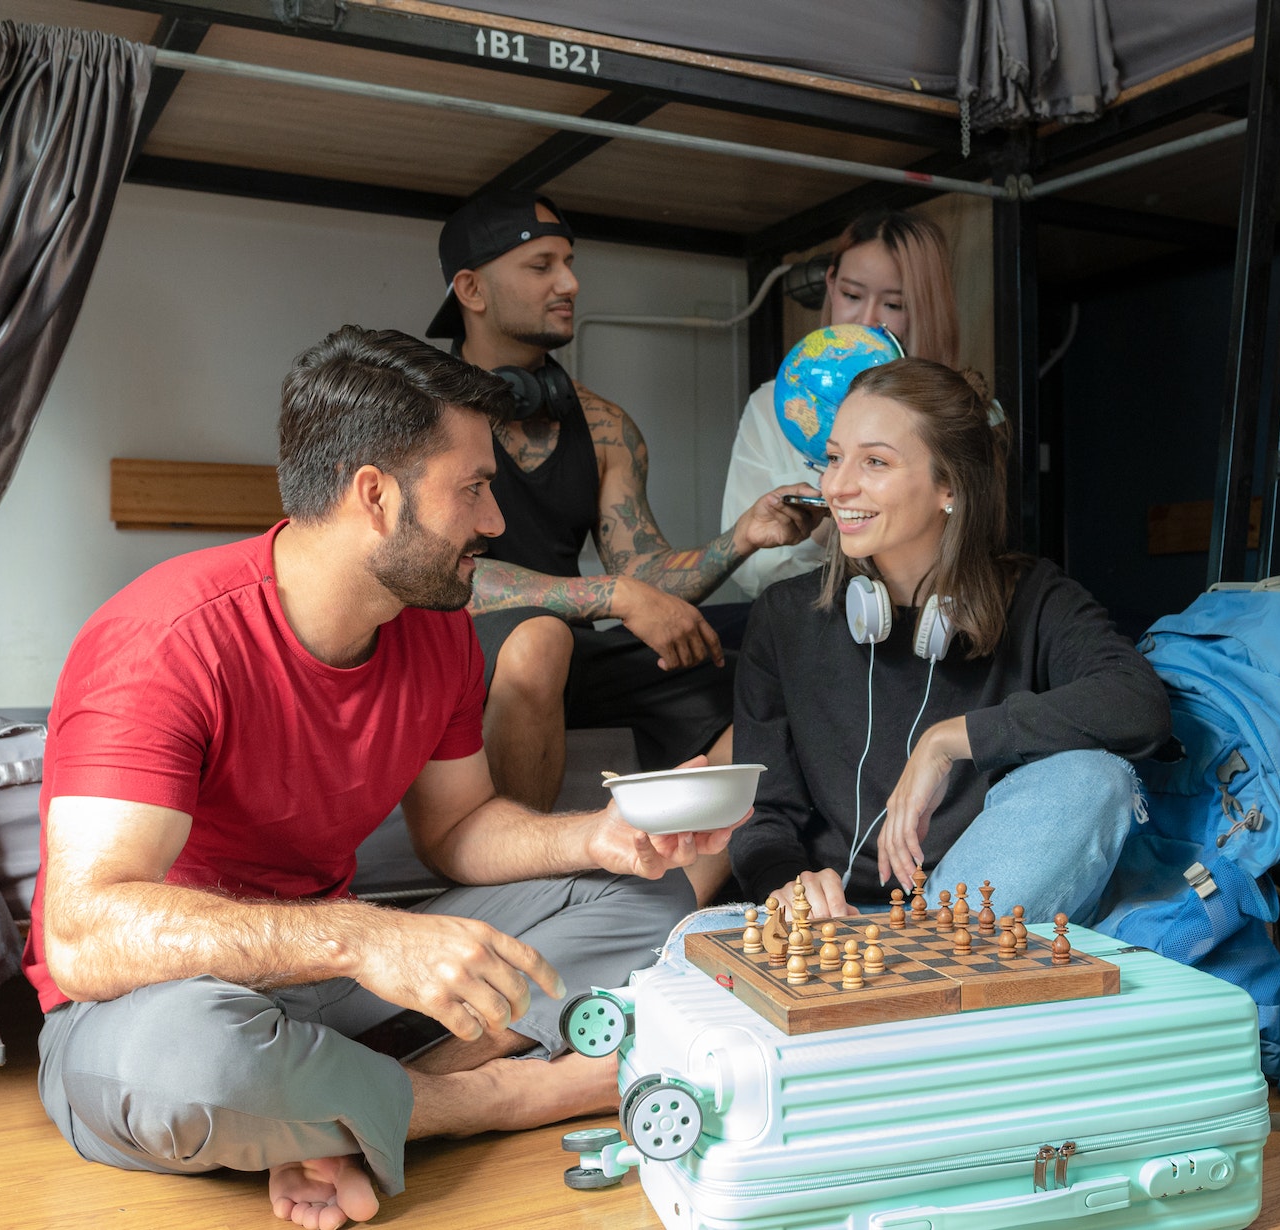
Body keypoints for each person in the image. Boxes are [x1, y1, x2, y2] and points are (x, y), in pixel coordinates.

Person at [28, 327, 735, 1230]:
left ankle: (338, 1111)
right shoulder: (165, 640)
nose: (495, 521)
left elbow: (458, 827)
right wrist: (365, 940)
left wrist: (594, 836)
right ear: (375, 495)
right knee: (200, 1068)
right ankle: (502, 1097)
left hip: (328, 988)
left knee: (651, 896)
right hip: (159, 1005)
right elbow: (84, 936)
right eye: (474, 489)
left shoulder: (430, 624)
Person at [423, 191, 820, 822]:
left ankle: (701, 880)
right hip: (455, 653)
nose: (570, 282)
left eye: (570, 263)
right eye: (541, 265)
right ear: (470, 289)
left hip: (573, 651)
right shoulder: (424, 419)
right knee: (539, 641)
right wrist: (613, 597)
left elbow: (643, 575)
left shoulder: (606, 427)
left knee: (775, 672)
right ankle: (521, 872)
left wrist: (743, 536)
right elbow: (448, 578)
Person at [728, 358, 1171, 922]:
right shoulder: (784, 615)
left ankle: (927, 966)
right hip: (837, 924)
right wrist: (787, 885)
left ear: (951, 487)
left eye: (875, 462)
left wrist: (946, 742)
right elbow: (764, 812)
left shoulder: (1035, 597)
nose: (837, 486)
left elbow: (1139, 704)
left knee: (1096, 780)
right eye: (835, 458)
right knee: (702, 941)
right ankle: (911, 982)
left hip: (974, 911)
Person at [720, 209, 962, 601]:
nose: (865, 320)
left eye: (894, 305)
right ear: (830, 286)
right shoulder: (774, 404)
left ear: (925, 308)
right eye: (851, 295)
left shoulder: (963, 414)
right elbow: (751, 573)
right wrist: (823, 528)